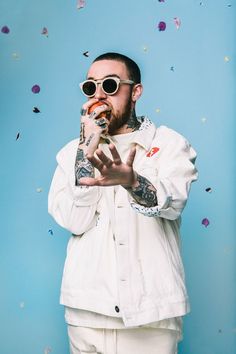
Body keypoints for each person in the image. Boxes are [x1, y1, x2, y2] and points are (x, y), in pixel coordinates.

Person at [48, 52, 198, 354]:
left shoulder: (169, 144)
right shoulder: (70, 154)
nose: (100, 94)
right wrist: (85, 147)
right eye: (91, 87)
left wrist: (132, 181)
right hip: (86, 313)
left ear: (136, 92)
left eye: (111, 84)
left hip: (151, 318)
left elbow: (173, 201)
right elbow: (75, 221)